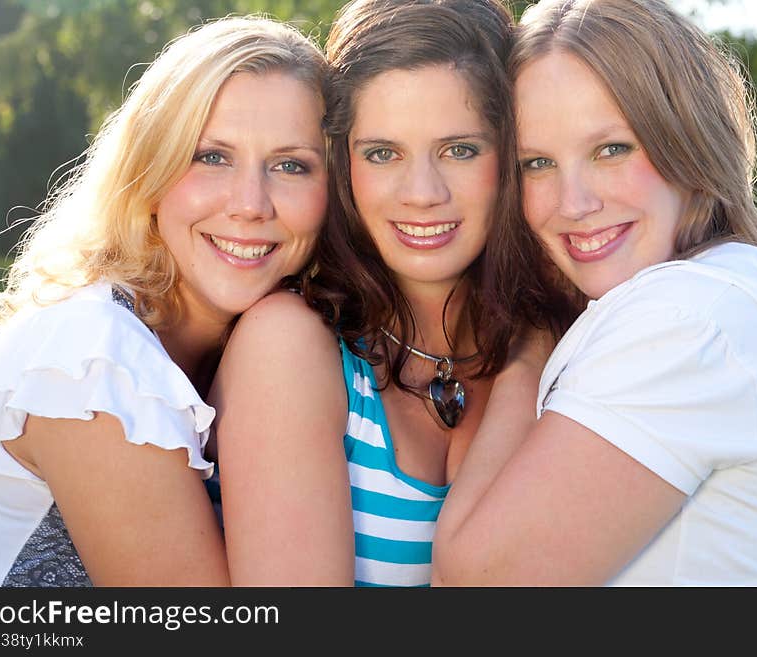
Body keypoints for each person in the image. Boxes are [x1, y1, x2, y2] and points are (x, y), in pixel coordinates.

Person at [432, 0, 757, 586]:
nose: (573, 202)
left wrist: (531, 344)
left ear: (688, 142)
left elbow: (476, 584)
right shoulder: (729, 296)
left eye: (611, 149)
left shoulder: (683, 326)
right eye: (538, 163)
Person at [210, 0, 578, 586]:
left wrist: (525, 362)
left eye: (459, 150)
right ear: (343, 164)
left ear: (510, 157)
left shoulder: (565, 343)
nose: (422, 193)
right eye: (383, 153)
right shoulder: (289, 345)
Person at [0, 16, 329, 586]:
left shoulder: (261, 352)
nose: (251, 204)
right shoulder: (96, 357)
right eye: (211, 156)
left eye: (290, 165)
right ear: (149, 172)